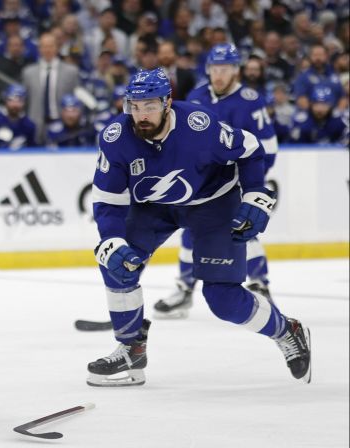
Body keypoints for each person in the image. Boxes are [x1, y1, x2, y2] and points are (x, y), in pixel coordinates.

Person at [86, 68, 311, 388]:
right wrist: (111, 238)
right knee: (116, 262)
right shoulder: (116, 138)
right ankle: (130, 348)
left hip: (213, 204)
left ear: (167, 103)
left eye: (149, 105)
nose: (141, 115)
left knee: (223, 299)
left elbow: (249, 148)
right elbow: (108, 199)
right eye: (134, 106)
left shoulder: (199, 125)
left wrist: (254, 193)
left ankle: (287, 331)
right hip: (154, 207)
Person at [155, 43, 281, 319]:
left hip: (237, 181)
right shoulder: (197, 96)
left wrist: (252, 183)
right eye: (215, 69)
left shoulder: (251, 100)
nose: (219, 75)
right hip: (203, 182)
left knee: (244, 229)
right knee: (190, 232)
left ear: (236, 71)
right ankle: (185, 290)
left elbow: (268, 146)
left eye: (225, 69)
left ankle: (260, 285)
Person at [0, 84, 37, 150]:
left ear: (24, 102)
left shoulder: (29, 125)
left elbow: (32, 149)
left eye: (19, 101)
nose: (15, 104)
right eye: (11, 100)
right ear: (5, 100)